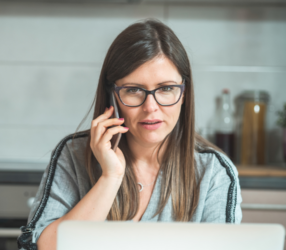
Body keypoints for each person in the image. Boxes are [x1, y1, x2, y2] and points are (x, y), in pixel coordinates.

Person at [17, 18, 242, 250]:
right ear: (113, 95)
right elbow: (40, 247)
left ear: (184, 93)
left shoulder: (214, 172)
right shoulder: (72, 155)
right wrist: (110, 177)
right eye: (133, 90)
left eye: (166, 89)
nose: (150, 107)